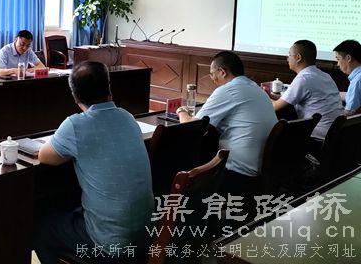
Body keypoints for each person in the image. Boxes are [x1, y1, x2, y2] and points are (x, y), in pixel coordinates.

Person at [34, 61, 153, 263]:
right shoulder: (128, 117)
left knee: (41, 228)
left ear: (75, 96)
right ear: (109, 89)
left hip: (109, 246)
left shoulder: (75, 125)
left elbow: (44, 157)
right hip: (146, 237)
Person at [177, 51, 277, 197]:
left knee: (185, 160)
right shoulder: (257, 89)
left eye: (212, 74)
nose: (213, 79)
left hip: (237, 174)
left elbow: (191, 127)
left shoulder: (229, 90)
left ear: (222, 72)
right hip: (264, 171)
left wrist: (181, 111)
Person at [272, 40, 343, 149]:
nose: (287, 58)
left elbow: (275, 107)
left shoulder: (304, 78)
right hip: (338, 135)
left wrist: (263, 98)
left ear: (298, 57)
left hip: (319, 139)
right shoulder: (325, 76)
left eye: (289, 55)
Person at [333, 39, 361, 116]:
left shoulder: (357, 80)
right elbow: (351, 95)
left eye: (338, 59)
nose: (338, 64)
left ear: (348, 58)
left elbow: (350, 113)